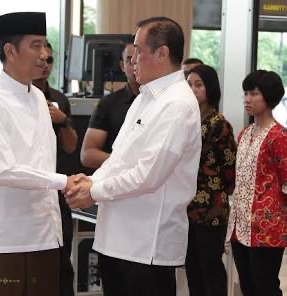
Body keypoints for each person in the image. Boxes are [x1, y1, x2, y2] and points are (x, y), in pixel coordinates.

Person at [65, 16, 202, 296]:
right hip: (115, 238)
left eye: (139, 51)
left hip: (146, 245)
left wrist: (94, 191)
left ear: (162, 53)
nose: (132, 59)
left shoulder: (177, 103)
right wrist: (91, 181)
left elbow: (148, 176)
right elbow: (118, 158)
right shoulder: (144, 98)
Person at [0, 12, 76, 296]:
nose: (44, 55)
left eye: (45, 45)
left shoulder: (40, 98)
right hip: (9, 238)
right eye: (35, 45)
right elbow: (2, 170)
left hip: (46, 232)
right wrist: (63, 182)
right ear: (9, 50)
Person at [226, 70, 287, 296]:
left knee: (266, 286)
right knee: (247, 285)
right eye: (246, 93)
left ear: (269, 97)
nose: (248, 99)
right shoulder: (244, 134)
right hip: (240, 223)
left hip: (267, 227)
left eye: (254, 93)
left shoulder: (279, 136)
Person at [185, 64, 237, 296]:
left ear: (210, 88)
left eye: (199, 85)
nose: (193, 90)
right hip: (186, 206)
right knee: (192, 269)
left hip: (211, 209)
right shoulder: (185, 120)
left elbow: (229, 167)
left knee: (211, 269)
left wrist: (218, 192)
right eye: (189, 85)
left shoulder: (218, 123)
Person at [32, 41, 77, 296]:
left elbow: (72, 147)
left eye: (49, 61)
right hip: (31, 188)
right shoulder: (20, 97)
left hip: (58, 189)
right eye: (40, 60)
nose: (44, 65)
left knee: (62, 257)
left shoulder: (58, 99)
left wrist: (63, 121)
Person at [81, 36, 140, 169]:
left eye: (139, 58)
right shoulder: (108, 104)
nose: (135, 64)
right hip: (114, 180)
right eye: (129, 60)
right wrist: (126, 163)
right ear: (122, 66)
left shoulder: (161, 102)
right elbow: (87, 155)